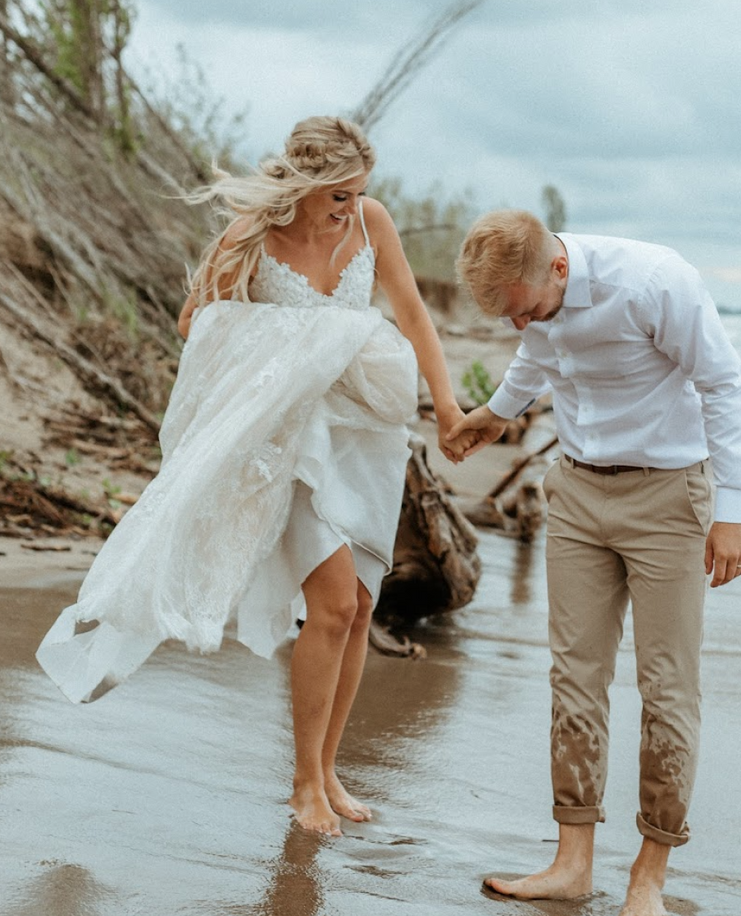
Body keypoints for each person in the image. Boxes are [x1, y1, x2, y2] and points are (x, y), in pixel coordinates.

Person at [37, 116, 465, 837]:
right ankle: (302, 785)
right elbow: (191, 323)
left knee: (361, 605)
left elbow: (416, 319)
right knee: (329, 605)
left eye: (358, 193)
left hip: (365, 434)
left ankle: (328, 770)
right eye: (337, 195)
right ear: (301, 185)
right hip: (288, 437)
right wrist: (308, 339)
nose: (349, 207)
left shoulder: (372, 220)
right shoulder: (250, 233)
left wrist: (448, 409)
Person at [448, 209, 741, 916]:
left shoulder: (656, 282)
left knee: (666, 688)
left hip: (667, 496)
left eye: (525, 309)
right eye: (508, 317)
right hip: (576, 492)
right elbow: (537, 354)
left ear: (557, 268)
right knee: (575, 677)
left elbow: (724, 384)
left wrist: (736, 506)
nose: (519, 326)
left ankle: (649, 874)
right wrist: (495, 413)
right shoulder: (536, 311)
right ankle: (571, 864)